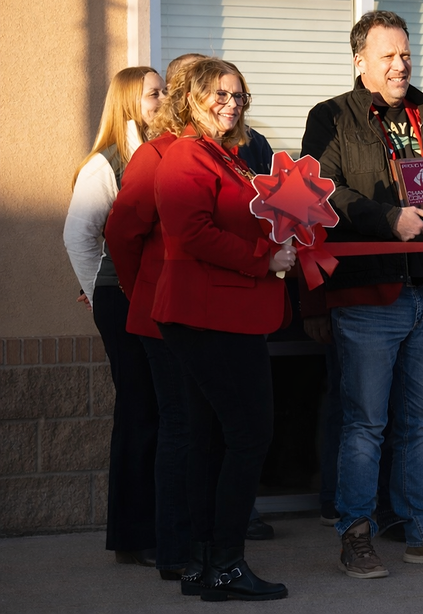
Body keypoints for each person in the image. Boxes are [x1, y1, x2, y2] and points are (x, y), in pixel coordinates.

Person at [300, 10, 423, 579]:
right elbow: (322, 193)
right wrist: (387, 219)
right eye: (388, 56)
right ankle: (356, 535)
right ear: (360, 62)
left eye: (406, 53)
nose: (401, 64)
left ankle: (422, 532)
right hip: (369, 294)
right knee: (365, 424)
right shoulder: (330, 117)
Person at [153, 57, 293, 601]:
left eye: (238, 94)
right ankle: (226, 564)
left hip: (219, 313)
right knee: (249, 435)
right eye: (219, 93)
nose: (231, 103)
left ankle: (205, 564)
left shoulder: (223, 156)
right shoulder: (187, 155)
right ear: (188, 97)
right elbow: (191, 233)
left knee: (211, 440)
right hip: (210, 315)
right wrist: (264, 259)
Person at [63, 65, 165, 568]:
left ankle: (153, 530)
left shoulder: (155, 155)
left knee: (155, 412)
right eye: (153, 93)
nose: (162, 99)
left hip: (148, 298)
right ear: (128, 101)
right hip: (124, 301)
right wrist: (102, 293)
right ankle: (133, 536)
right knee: (139, 413)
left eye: (164, 90)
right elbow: (78, 236)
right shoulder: (105, 164)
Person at [106, 54, 197, 582]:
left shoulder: (208, 155)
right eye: (154, 92)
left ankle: (186, 536)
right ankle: (159, 543)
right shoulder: (141, 157)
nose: (228, 108)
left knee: (180, 423)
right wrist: (132, 287)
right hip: (148, 307)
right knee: (161, 422)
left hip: (186, 309)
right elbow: (109, 234)